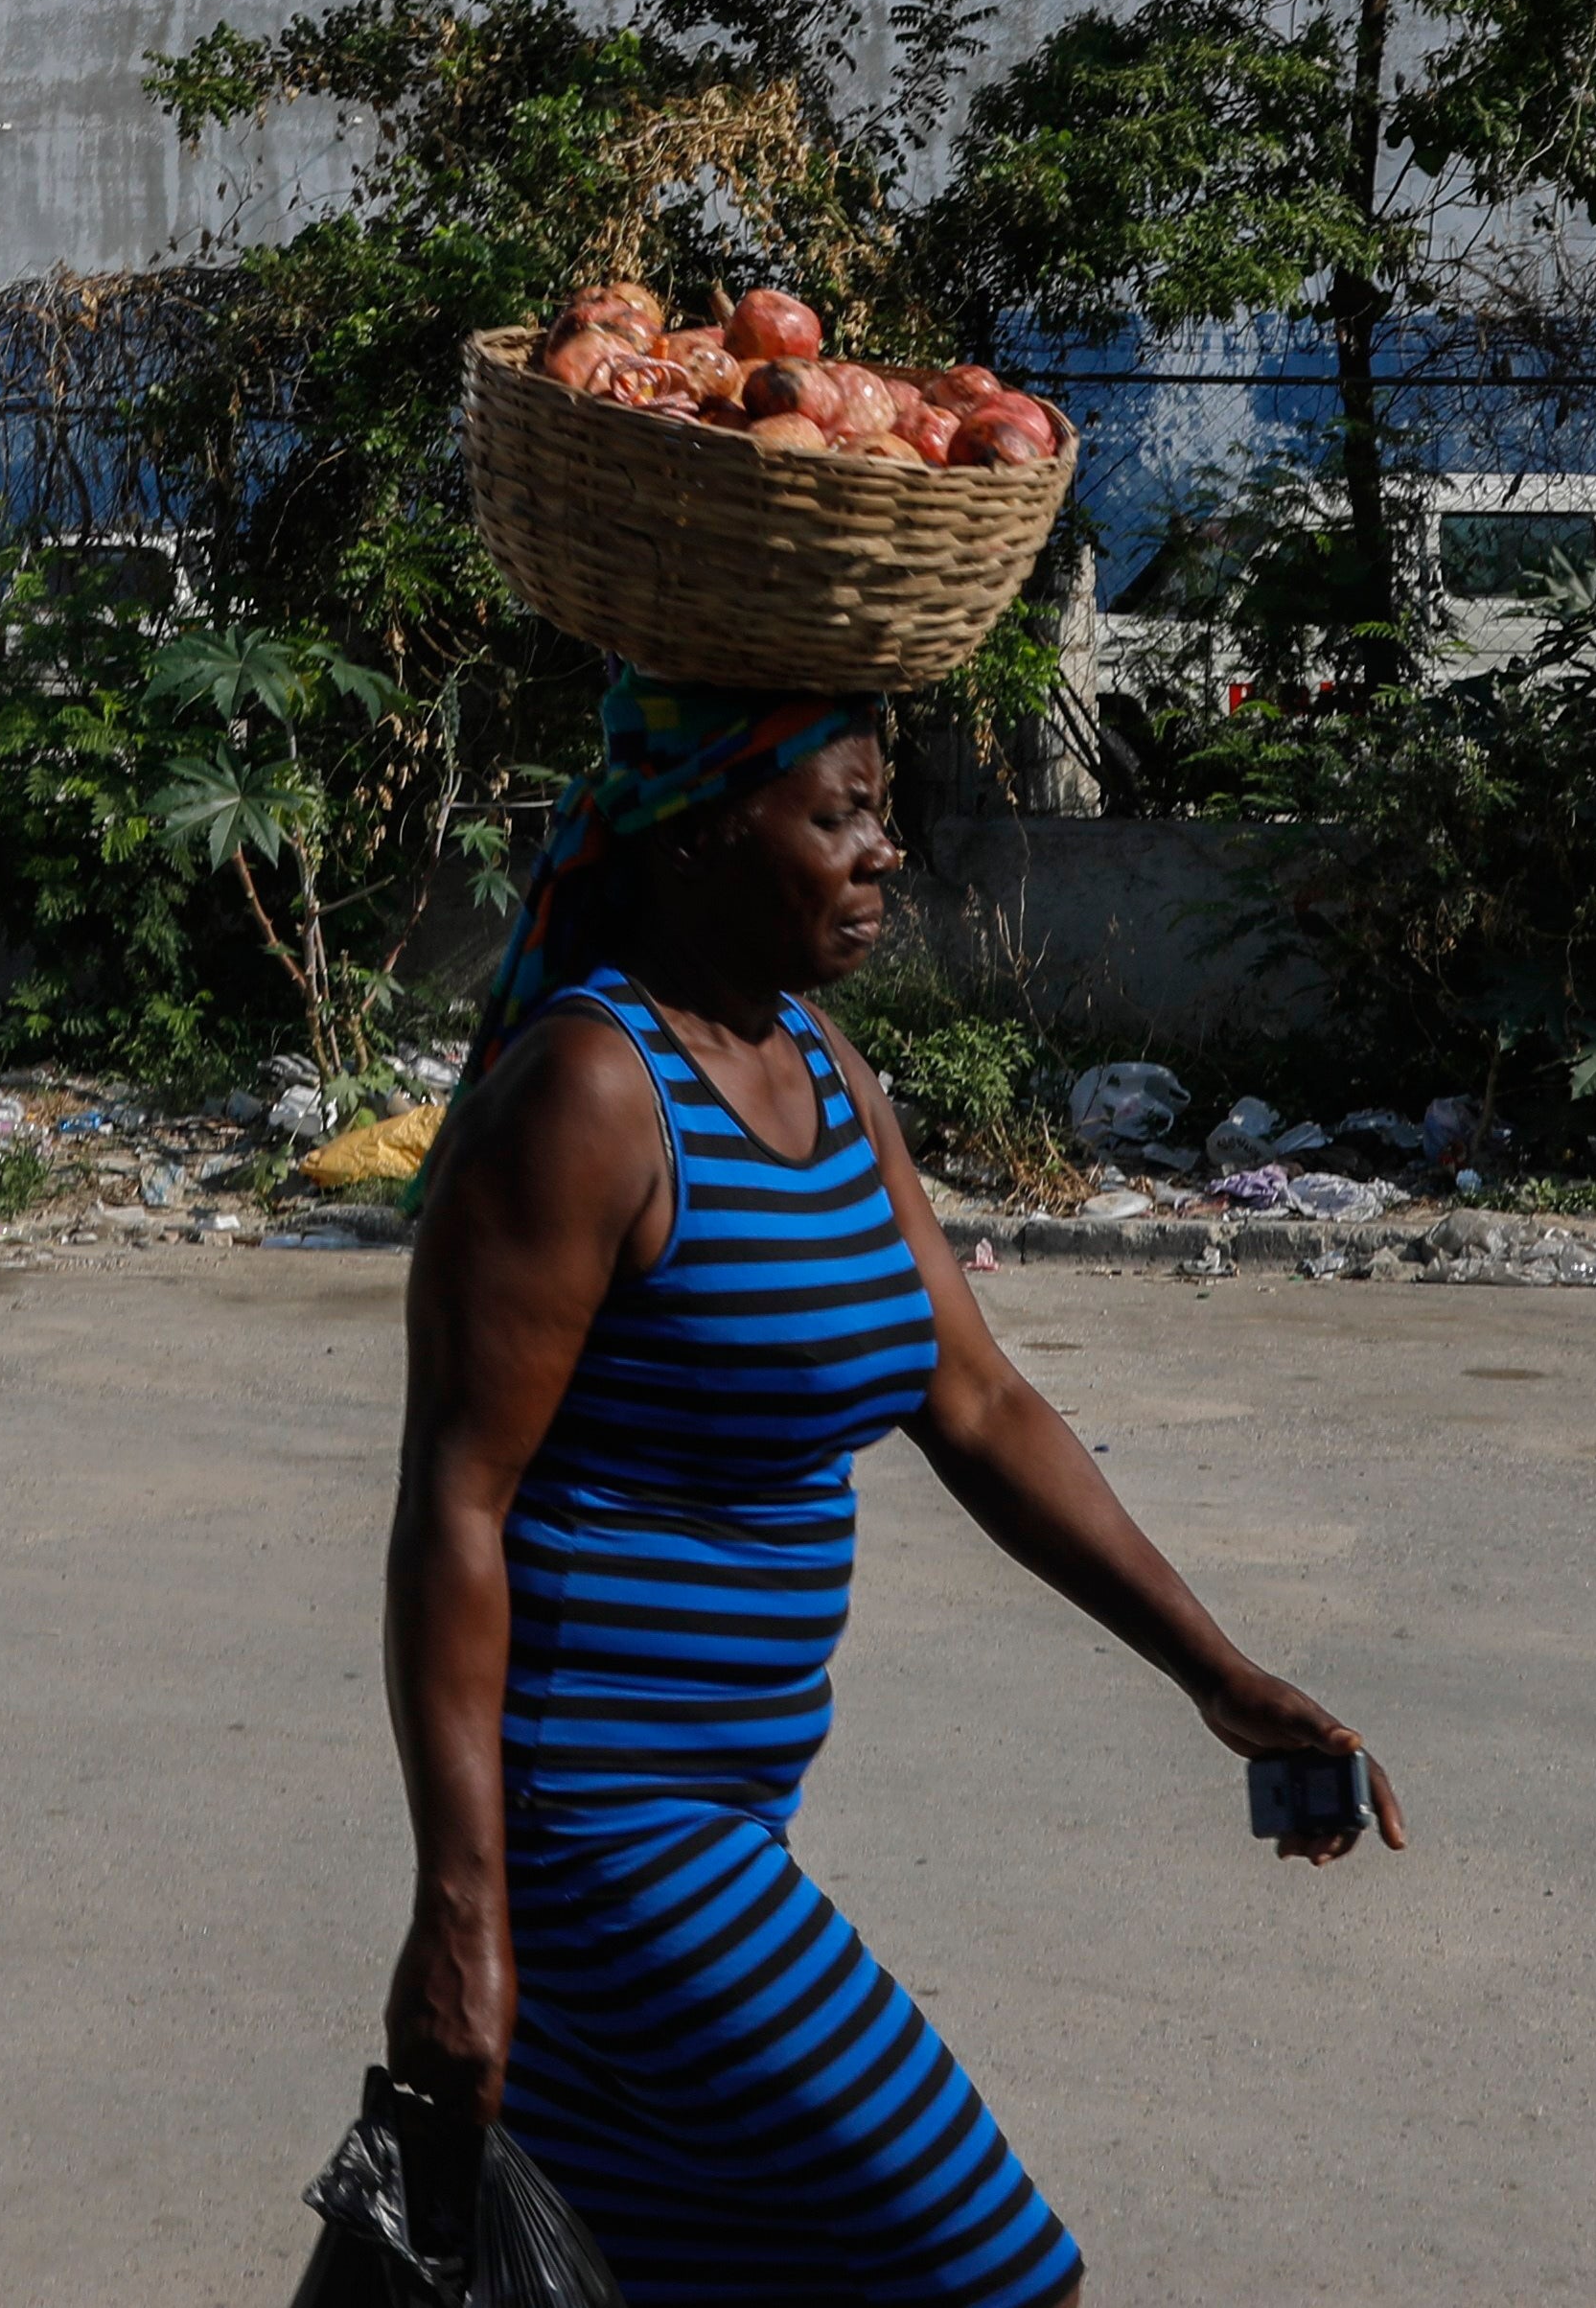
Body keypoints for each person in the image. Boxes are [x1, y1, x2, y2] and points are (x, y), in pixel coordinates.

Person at [382, 676, 1396, 2302]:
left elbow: (977, 1402)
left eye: (882, 814)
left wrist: (1216, 1675)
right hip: (607, 1834)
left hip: (735, 1809)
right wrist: (459, 1906)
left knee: (543, 2269)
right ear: (706, 831)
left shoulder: (822, 1072)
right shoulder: (588, 1098)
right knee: (991, 2273)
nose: (886, 855)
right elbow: (456, 1506)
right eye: (838, 814)